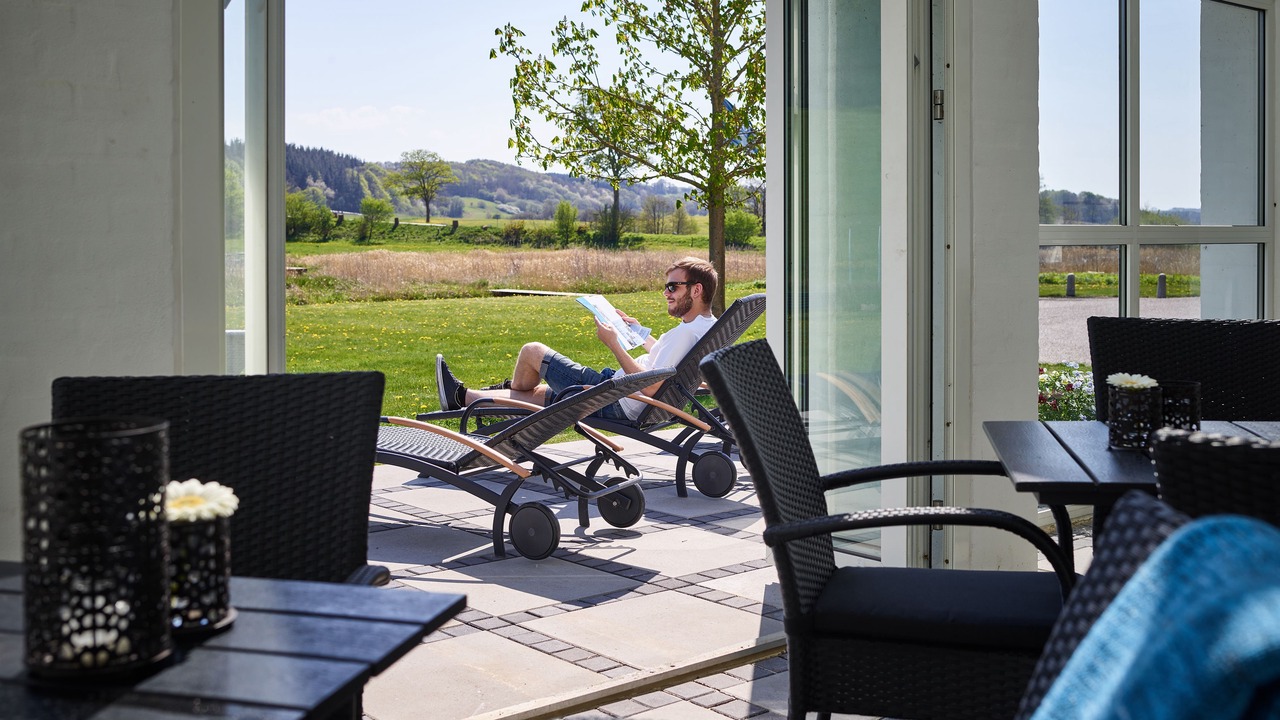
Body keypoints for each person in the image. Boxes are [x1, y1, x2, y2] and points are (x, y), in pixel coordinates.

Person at [436, 256, 719, 421]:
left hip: (615, 398)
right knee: (541, 396)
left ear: (695, 291)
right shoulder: (706, 327)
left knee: (532, 351)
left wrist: (614, 344)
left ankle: (502, 389)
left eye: (673, 286)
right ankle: (463, 397)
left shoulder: (684, 333)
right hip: (621, 393)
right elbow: (667, 365)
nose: (666, 293)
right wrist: (639, 333)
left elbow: (653, 388)